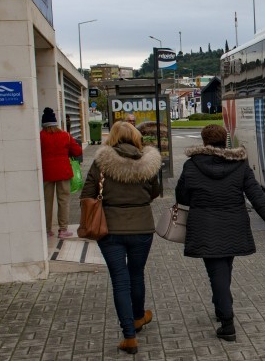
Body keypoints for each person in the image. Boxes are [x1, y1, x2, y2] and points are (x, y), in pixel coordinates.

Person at [175, 124, 265, 342]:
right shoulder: (239, 165)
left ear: (204, 141)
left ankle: (227, 324)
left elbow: (182, 197)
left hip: (204, 227)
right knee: (223, 269)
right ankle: (221, 307)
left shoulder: (191, 165)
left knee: (216, 272)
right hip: (233, 224)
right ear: (225, 141)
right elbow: (256, 195)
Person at [80, 121, 163, 354]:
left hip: (110, 230)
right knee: (136, 274)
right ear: (135, 137)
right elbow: (155, 192)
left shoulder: (102, 162)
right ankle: (137, 317)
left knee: (120, 280)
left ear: (113, 137)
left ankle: (129, 336)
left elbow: (87, 194)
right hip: (142, 229)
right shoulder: (148, 162)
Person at [40, 107, 82, 239]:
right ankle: (63, 230)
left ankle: (47, 230)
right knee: (63, 201)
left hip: (46, 173)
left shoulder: (39, 136)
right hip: (63, 172)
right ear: (55, 122)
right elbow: (77, 152)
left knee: (47, 201)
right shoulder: (66, 135)